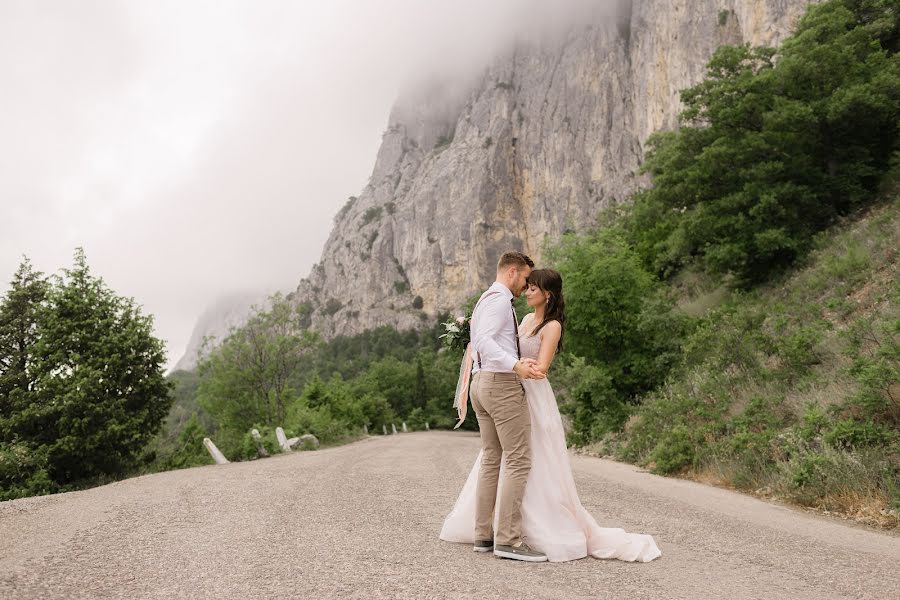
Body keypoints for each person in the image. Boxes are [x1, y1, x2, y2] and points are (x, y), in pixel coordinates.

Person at [440, 268, 662, 563]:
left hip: (532, 394)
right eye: (528, 286)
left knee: (531, 461)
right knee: (500, 458)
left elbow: (542, 368)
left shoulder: (551, 325)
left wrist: (516, 364)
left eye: (534, 288)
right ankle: (494, 530)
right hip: (510, 389)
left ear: (549, 294)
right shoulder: (525, 319)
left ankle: (524, 528)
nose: (528, 292)